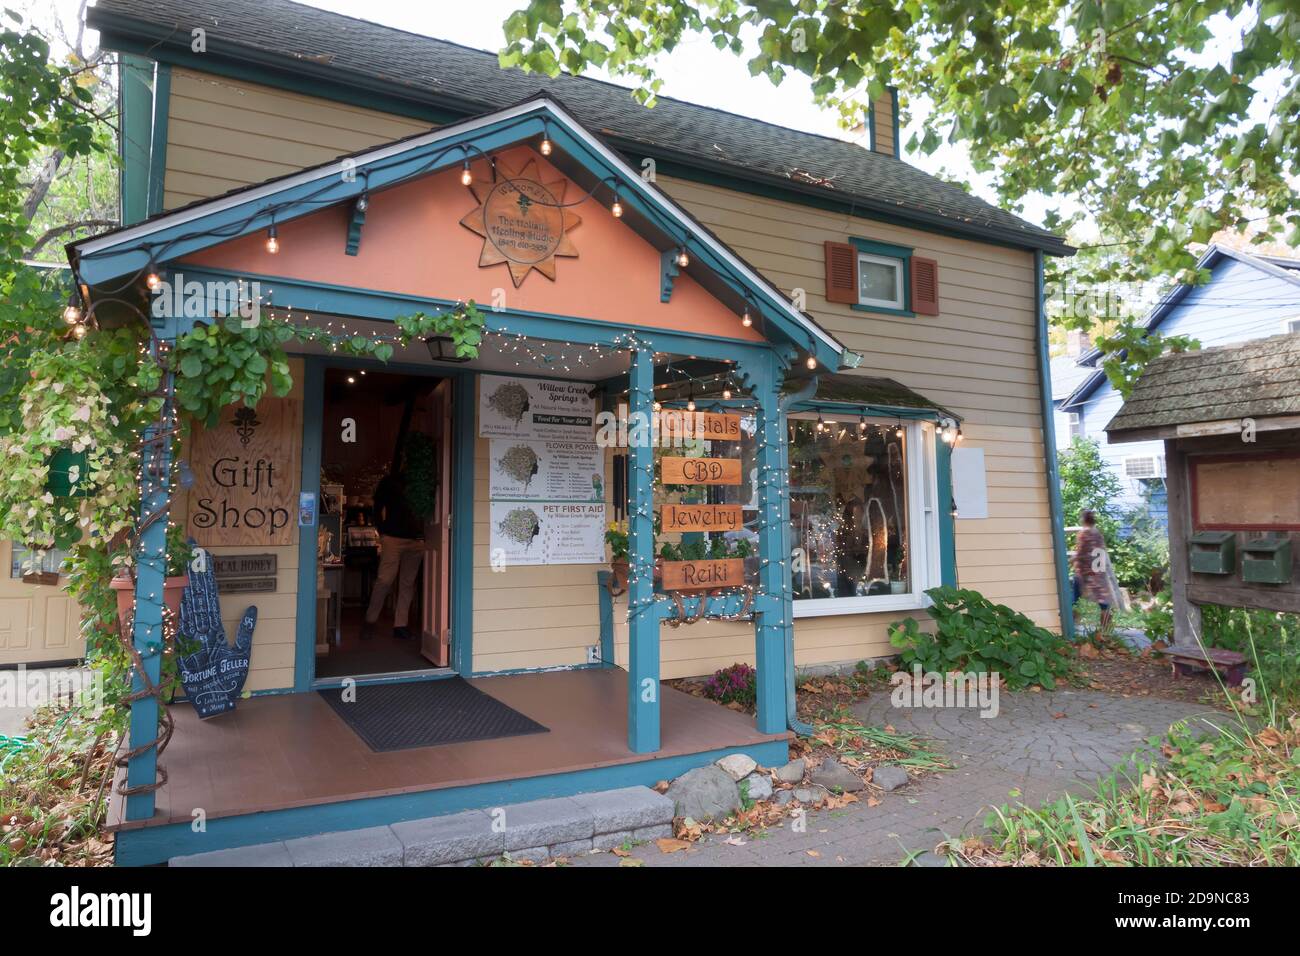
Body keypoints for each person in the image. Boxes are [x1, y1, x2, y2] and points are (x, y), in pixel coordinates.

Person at [361, 460, 425, 640]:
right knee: (385, 579)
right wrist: (382, 532)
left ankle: (400, 625)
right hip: (393, 538)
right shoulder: (389, 482)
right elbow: (377, 507)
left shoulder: (421, 483)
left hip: (416, 539)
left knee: (407, 583)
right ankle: (370, 620)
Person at [1073, 509, 1113, 635]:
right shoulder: (1098, 533)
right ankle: (1106, 629)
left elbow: (1080, 553)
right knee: (1103, 600)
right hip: (1099, 571)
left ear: (1083, 519)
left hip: (1086, 571)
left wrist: (1072, 560)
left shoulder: (1083, 534)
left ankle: (1071, 625)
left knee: (1073, 598)